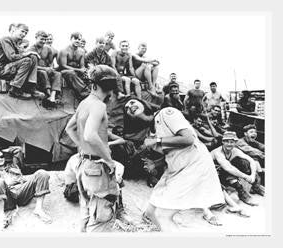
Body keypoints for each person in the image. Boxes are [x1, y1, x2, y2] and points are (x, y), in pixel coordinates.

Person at [123, 104, 225, 230]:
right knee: (150, 213)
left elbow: (188, 139)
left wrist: (158, 141)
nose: (130, 106)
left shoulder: (166, 113)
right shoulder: (150, 132)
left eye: (132, 102)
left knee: (162, 215)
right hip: (176, 168)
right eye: (126, 108)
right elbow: (172, 154)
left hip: (193, 165)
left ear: (143, 103)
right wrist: (155, 164)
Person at [65, 65, 120, 232]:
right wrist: (109, 161)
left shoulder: (84, 103)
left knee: (87, 211)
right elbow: (90, 134)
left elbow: (69, 128)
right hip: (96, 168)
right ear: (111, 88)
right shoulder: (98, 105)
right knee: (101, 220)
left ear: (93, 85)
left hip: (83, 165)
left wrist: (84, 148)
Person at [0, 147, 52, 229]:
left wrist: (4, 150)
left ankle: (38, 209)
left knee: (42, 173)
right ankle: (1, 217)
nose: (0, 159)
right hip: (6, 198)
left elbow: (18, 150)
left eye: (1, 156)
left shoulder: (14, 166)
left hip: (21, 193)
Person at [0, 23, 45, 99]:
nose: (24, 34)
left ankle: (31, 87)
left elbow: (19, 57)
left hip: (8, 68)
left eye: (25, 33)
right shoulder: (6, 39)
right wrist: (28, 53)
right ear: (14, 30)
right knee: (27, 60)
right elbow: (12, 57)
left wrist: (28, 53)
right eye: (22, 31)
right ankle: (15, 89)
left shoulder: (17, 44)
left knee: (33, 57)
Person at [211, 131, 264, 207]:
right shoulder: (218, 152)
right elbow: (228, 168)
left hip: (223, 173)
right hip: (211, 175)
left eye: (232, 142)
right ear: (223, 142)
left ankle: (256, 187)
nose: (229, 144)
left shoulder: (235, 150)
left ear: (235, 142)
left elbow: (251, 160)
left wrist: (252, 175)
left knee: (244, 162)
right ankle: (241, 192)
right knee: (228, 170)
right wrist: (246, 177)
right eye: (227, 142)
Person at [29, 30, 62, 104]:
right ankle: (48, 94)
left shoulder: (48, 48)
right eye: (41, 39)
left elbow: (50, 63)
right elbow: (31, 66)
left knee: (57, 74)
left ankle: (52, 96)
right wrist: (45, 68)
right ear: (36, 38)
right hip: (35, 71)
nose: (43, 41)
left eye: (45, 39)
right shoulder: (31, 49)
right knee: (43, 73)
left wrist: (51, 69)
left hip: (45, 69)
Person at [58, 32, 91, 101]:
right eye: (75, 38)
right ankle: (84, 92)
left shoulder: (81, 51)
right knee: (71, 73)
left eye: (79, 39)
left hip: (76, 72)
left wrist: (84, 71)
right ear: (71, 39)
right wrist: (79, 70)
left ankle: (93, 93)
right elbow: (63, 65)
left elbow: (82, 66)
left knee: (88, 74)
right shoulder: (64, 50)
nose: (77, 41)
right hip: (65, 72)